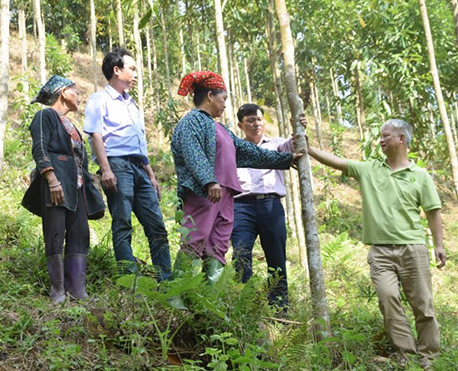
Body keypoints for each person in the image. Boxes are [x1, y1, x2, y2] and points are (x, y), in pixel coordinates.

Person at [307, 119, 445, 368]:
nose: (381, 140)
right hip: (380, 251)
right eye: (380, 136)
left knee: (423, 305)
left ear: (401, 139)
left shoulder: (420, 176)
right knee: (388, 299)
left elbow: (433, 211)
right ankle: (407, 354)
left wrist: (439, 245)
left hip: (413, 248)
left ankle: (429, 358)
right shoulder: (370, 169)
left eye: (386, 135)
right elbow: (338, 162)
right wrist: (309, 149)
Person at [170, 72, 302, 284]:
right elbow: (192, 151)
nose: (224, 105)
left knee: (218, 244)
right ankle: (176, 291)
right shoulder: (192, 121)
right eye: (223, 99)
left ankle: (208, 295)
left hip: (226, 195)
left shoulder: (222, 129)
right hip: (204, 192)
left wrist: (286, 160)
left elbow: (251, 153)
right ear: (210, 96)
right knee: (195, 238)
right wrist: (209, 180)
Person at [83, 48, 171, 281]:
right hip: (117, 165)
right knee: (122, 222)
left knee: (157, 226)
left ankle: (166, 281)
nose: (135, 74)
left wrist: (151, 174)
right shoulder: (99, 99)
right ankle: (128, 280)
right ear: (116, 70)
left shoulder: (132, 105)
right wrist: (106, 169)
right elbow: (96, 135)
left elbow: (139, 145)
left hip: (139, 167)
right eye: (131, 68)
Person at [22, 75, 106, 304]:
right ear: (63, 93)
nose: (79, 96)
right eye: (75, 90)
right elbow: (39, 148)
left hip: (76, 186)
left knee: (80, 234)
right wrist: (51, 179)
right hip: (57, 183)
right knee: (55, 231)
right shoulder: (45, 115)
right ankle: (57, 290)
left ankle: (77, 291)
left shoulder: (73, 126)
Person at [231, 103, 296, 312]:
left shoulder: (277, 144)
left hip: (271, 205)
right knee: (241, 254)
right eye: (250, 120)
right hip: (241, 206)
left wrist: (298, 127)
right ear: (241, 125)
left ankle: (279, 307)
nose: (256, 124)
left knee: (276, 255)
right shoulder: (235, 148)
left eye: (259, 119)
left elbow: (296, 146)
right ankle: (245, 304)